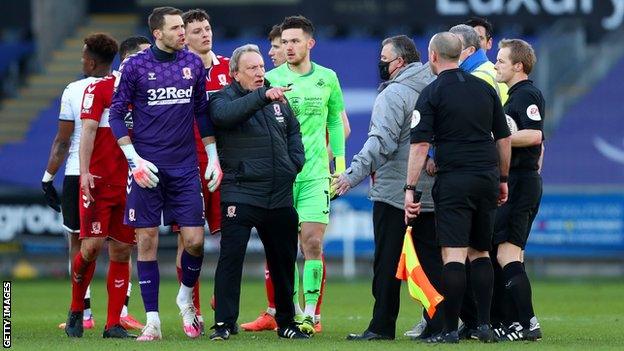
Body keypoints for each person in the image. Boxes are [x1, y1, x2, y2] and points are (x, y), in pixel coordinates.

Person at [108, 6, 222, 341]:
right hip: (147, 168)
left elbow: (202, 112)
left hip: (185, 167)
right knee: (146, 241)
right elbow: (116, 114)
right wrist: (134, 160)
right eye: (175, 28)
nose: (182, 33)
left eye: (182, 28)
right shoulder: (136, 66)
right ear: (158, 33)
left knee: (195, 242)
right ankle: (153, 321)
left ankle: (185, 296)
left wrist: (213, 158)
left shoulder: (191, 64)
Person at [329, 35, 439, 341]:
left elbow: (381, 144)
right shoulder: (437, 85)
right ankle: (438, 323)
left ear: (399, 62)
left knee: (388, 263)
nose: (380, 63)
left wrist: (352, 175)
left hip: (394, 192)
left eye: (384, 58)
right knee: (431, 262)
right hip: (432, 192)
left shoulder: (394, 95)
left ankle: (381, 325)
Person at [404, 32, 511, 344]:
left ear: (434, 56)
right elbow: (503, 138)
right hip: (486, 178)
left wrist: (410, 187)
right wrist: (502, 179)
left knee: (452, 255)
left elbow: (421, 144)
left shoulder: (432, 93)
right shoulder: (485, 89)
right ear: (461, 55)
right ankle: (484, 326)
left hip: (454, 180)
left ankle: (449, 329)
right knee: (481, 252)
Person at [208, 44, 309, 340]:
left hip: (279, 193)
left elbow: (293, 133)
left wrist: (294, 164)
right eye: (252, 68)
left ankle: (287, 323)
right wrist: (261, 96)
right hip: (241, 193)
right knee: (231, 259)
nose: (260, 72)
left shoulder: (278, 100)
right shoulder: (222, 98)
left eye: (262, 67)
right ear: (235, 73)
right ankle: (225, 324)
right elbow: (225, 117)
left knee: (283, 261)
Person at [48, 33, 142, 334]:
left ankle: (113, 323)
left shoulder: (144, 95)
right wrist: (85, 171)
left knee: (122, 251)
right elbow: (87, 132)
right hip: (98, 182)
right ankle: (77, 308)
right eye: (135, 58)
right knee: (90, 247)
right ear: (124, 61)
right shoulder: (100, 89)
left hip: (129, 184)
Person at [263, 15, 345, 335]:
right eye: (285, 42)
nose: (289, 46)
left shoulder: (327, 78)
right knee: (284, 249)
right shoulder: (270, 79)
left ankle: (311, 313)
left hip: (314, 175)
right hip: (281, 178)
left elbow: (336, 123)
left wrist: (338, 166)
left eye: (295, 41)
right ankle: (292, 310)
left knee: (312, 243)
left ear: (310, 43)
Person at [169, 8, 231, 334]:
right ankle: (188, 306)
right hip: (187, 166)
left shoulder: (227, 70)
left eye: (207, 28)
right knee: (189, 241)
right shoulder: (177, 72)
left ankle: (221, 300)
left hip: (223, 164)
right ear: (184, 38)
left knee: (229, 237)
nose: (205, 34)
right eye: (197, 31)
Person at [492, 38, 544, 341]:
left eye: (501, 60)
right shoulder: (514, 96)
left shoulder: (526, 95)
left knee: (508, 253)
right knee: (508, 254)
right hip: (520, 181)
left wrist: (500, 138)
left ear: (518, 66)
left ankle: (527, 323)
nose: (497, 64)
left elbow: (535, 135)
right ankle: (513, 321)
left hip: (522, 182)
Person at [450, 24, 508, 104]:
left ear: (471, 50)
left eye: (456, 47)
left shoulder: (474, 79)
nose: (450, 52)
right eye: (449, 47)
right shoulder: (490, 68)